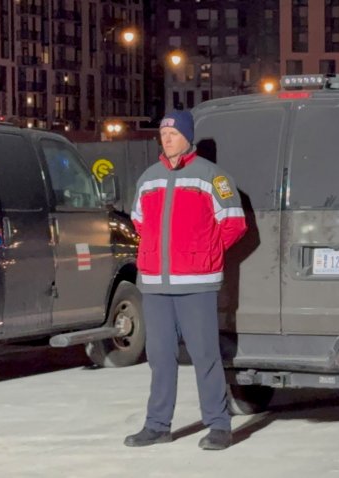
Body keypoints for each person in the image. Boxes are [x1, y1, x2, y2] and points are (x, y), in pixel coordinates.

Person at [124, 110, 247, 451]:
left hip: (197, 283)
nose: (167, 138)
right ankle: (157, 425)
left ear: (187, 137)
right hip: (156, 285)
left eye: (173, 133)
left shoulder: (212, 177)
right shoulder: (148, 178)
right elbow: (139, 222)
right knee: (160, 357)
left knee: (204, 354)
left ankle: (219, 425)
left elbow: (234, 224)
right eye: (163, 133)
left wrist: (203, 253)